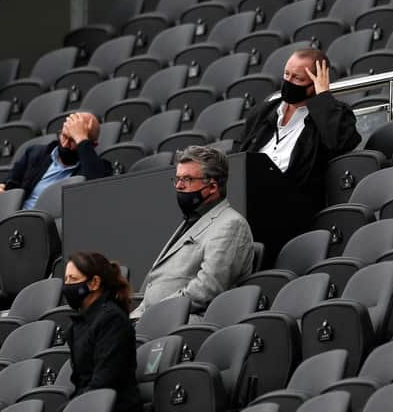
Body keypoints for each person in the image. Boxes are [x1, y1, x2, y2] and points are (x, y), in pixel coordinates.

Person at [240, 48, 361, 239]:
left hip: (290, 209)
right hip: (247, 201)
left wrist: (323, 98)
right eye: (287, 74)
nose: (288, 82)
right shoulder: (264, 111)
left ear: (315, 83)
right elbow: (240, 153)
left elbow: (339, 143)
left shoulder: (330, 114)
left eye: (297, 79)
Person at [131, 145, 254, 321]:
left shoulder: (231, 224)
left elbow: (208, 288)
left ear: (212, 186)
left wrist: (155, 314)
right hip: (150, 319)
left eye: (187, 179)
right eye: (177, 179)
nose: (179, 186)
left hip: (183, 322)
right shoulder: (192, 220)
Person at [62, 251, 143, 412]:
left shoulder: (112, 320)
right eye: (66, 279)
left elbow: (104, 380)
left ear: (94, 283)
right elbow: (80, 382)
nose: (67, 285)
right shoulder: (77, 326)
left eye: (74, 279)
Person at [0, 112, 113, 209]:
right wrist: (2, 190)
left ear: (91, 145)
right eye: (64, 136)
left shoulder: (100, 168)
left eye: (73, 140)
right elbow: (8, 183)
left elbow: (98, 191)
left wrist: (81, 139)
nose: (65, 144)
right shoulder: (35, 154)